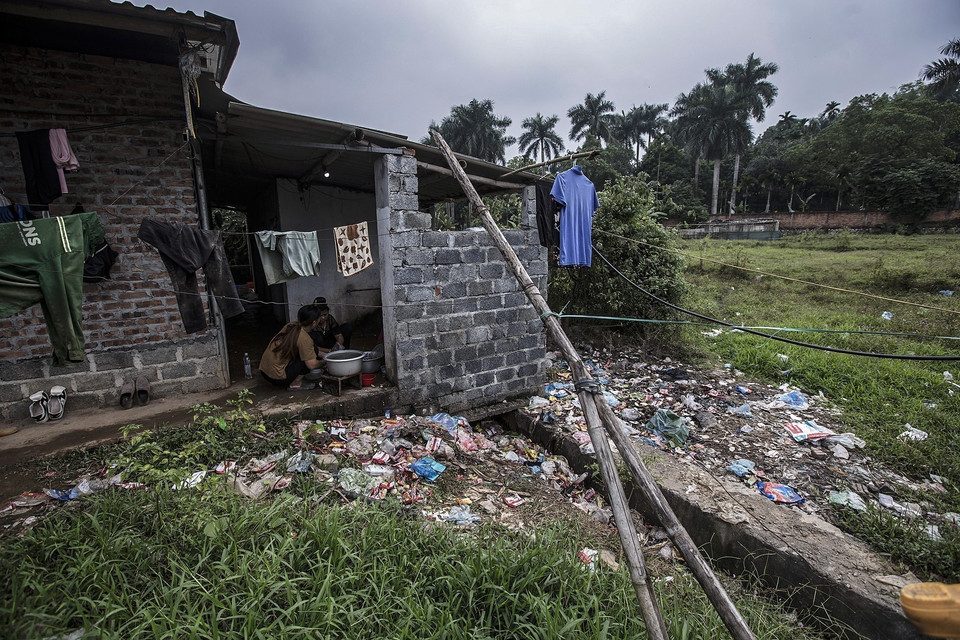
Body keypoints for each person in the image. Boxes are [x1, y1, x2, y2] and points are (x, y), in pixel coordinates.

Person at [258, 304, 325, 390]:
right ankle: (295, 383)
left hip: (264, 372)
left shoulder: (290, 325)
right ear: (314, 322)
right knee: (312, 353)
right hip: (278, 378)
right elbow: (312, 365)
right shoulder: (304, 339)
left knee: (311, 349)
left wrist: (327, 355)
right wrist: (325, 362)